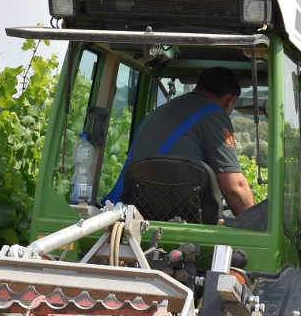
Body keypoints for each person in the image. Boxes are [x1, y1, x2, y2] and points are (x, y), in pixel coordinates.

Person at [105, 67, 255, 216]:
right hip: (180, 220)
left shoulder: (157, 113)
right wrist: (255, 229)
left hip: (126, 213)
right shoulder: (215, 114)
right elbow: (235, 188)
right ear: (230, 100)